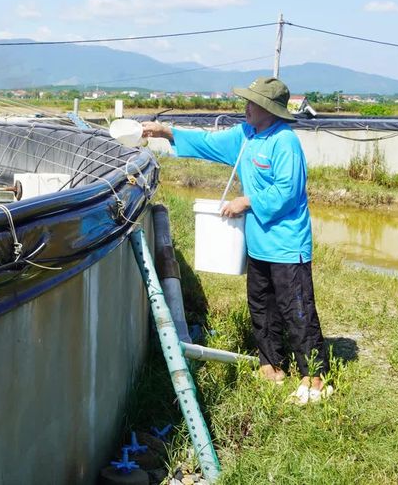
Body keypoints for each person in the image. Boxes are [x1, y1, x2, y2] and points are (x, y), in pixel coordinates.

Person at [142, 77, 331, 404]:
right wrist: (165, 132)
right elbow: (207, 142)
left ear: (269, 109)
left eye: (253, 102)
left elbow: (287, 191)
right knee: (262, 305)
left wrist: (246, 201)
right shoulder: (246, 136)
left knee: (296, 310)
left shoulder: (284, 141)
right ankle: (271, 366)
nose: (246, 107)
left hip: (287, 245)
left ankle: (315, 379)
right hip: (258, 243)